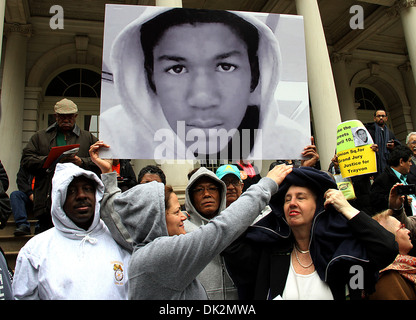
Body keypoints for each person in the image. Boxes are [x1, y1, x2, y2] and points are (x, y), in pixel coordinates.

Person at [89, 141, 293, 300]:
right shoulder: (161, 253)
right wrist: (266, 184)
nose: (183, 215)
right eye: (177, 211)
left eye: (213, 188)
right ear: (156, 217)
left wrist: (108, 176)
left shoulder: (144, 247)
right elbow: (223, 229)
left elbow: (120, 220)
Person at [100, 7, 308, 161]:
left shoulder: (292, 140)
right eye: (177, 69)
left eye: (225, 66)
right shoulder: (114, 134)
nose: (202, 99)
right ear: (150, 76)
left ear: (254, 74)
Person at [223, 166, 398, 300]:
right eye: (287, 199)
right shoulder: (269, 252)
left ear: (319, 206)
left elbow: (387, 248)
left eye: (301, 197)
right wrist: (264, 190)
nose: (292, 203)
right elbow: (230, 244)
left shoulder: (345, 252)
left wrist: (346, 208)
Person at [12, 163, 130, 300]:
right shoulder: (36, 250)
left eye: (87, 189)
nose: (81, 196)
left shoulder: (118, 239)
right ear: (59, 199)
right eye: (71, 191)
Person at [21, 98, 99, 233]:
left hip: (78, 203)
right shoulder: (40, 137)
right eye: (62, 116)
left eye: (70, 116)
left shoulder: (88, 138)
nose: (66, 120)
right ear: (56, 116)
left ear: (75, 116)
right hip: (47, 203)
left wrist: (82, 162)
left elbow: (102, 161)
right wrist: (50, 160)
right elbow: (26, 161)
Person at [184, 166, 237, 299]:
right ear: (190, 196)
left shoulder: (236, 224)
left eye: (212, 189)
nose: (207, 194)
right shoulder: (181, 229)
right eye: (199, 190)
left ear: (221, 193)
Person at [370, 210, 416, 299]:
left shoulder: (404, 268)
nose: (408, 231)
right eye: (401, 227)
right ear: (388, 238)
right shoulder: (388, 277)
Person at [370, 145, 415, 216]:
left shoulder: (407, 176)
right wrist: (402, 201)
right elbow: (377, 203)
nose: (411, 164)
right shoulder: (383, 180)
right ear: (401, 162)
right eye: (409, 161)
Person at [365, 109, 400, 174]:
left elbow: (398, 148)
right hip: (374, 165)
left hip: (388, 165)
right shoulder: (368, 131)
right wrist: (370, 148)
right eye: (378, 116)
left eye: (383, 116)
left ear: (386, 118)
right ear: (374, 118)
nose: (381, 118)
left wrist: (393, 147)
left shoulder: (390, 133)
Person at [10, 166, 34, 236]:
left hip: (44, 199)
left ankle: (40, 225)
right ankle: (22, 225)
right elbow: (21, 181)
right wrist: (30, 194)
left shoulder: (49, 166)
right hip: (29, 197)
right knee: (15, 195)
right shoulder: (26, 164)